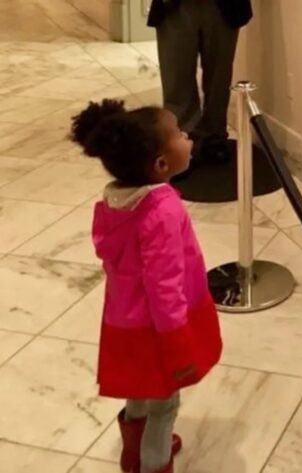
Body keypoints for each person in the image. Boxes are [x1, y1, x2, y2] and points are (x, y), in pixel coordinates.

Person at [70, 99, 223, 473]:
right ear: (160, 164)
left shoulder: (112, 204)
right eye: (180, 134)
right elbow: (164, 283)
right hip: (158, 327)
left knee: (138, 389)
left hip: (124, 319)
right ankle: (155, 463)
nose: (188, 138)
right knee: (165, 404)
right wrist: (178, 341)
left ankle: (132, 451)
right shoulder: (162, 210)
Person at [147, 0, 253, 162]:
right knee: (176, 78)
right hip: (176, 6)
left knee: (219, 77)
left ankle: (215, 136)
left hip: (223, 6)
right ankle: (181, 143)